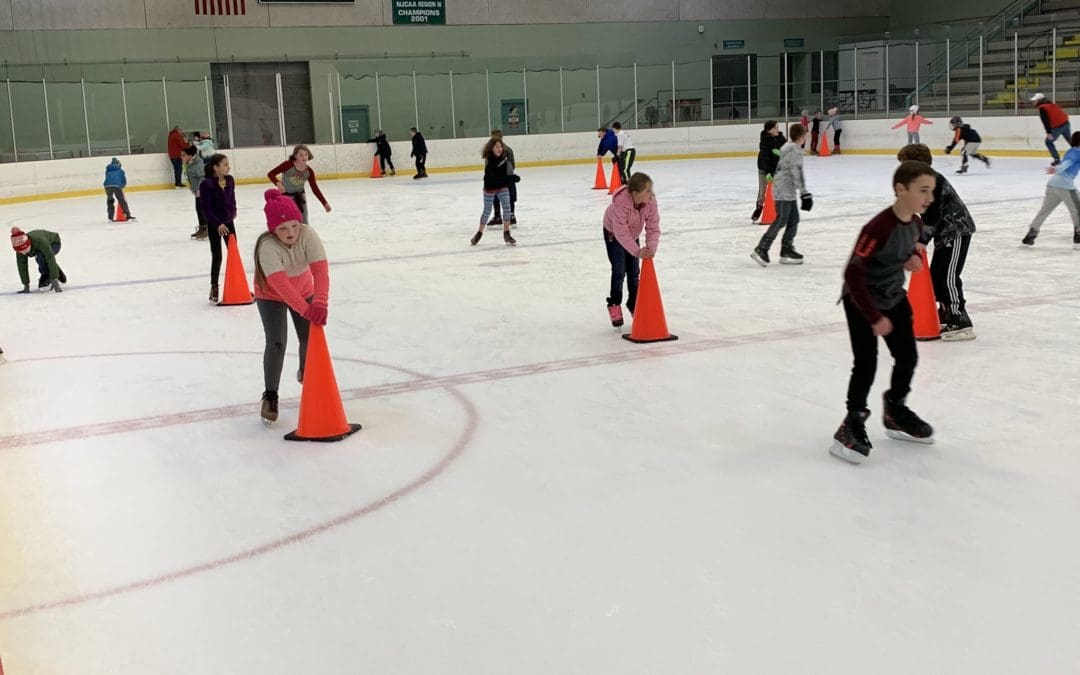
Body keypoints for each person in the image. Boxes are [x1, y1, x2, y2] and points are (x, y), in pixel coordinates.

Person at [830, 160, 937, 464]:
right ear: (900, 189)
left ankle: (896, 411)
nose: (928, 197)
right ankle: (851, 422)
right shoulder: (877, 227)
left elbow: (904, 250)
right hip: (862, 300)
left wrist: (911, 259)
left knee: (908, 357)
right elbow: (852, 274)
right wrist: (874, 316)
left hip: (893, 297)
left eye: (931, 191)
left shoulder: (915, 223)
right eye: (922, 190)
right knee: (866, 363)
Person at [253, 189, 330, 425]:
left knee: (309, 337)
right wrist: (306, 310)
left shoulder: (308, 235)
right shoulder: (267, 247)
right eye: (283, 229)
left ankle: (307, 376)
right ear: (273, 229)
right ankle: (271, 395)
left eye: (295, 226)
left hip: (305, 290)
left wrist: (320, 301)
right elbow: (281, 286)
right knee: (277, 342)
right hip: (271, 295)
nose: (291, 233)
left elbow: (320, 271)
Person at [897, 144, 977, 341]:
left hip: (957, 231)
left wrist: (921, 240)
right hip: (944, 235)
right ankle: (945, 313)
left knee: (948, 276)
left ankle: (960, 319)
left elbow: (933, 216)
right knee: (937, 275)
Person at [602, 172, 660, 327]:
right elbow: (620, 233)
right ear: (635, 194)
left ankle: (633, 303)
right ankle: (614, 304)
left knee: (634, 272)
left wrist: (650, 248)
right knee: (619, 270)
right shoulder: (620, 205)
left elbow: (653, 227)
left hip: (632, 232)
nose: (651, 194)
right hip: (613, 233)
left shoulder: (651, 203)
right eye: (647, 191)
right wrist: (637, 251)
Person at [752, 124, 811, 266]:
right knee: (781, 219)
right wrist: (804, 194)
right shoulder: (794, 150)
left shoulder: (787, 147)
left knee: (794, 219)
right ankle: (762, 248)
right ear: (802, 137)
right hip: (784, 189)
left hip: (785, 188)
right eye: (806, 135)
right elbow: (797, 172)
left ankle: (786, 249)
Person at [1021, 130, 1080, 249]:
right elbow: (1068, 163)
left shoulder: (1071, 150)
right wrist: (1058, 168)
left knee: (1044, 211)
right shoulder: (1078, 152)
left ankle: (1031, 235)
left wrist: (1057, 169)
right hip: (1065, 185)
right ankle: (1078, 238)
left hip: (1052, 185)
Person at [199, 153, 237, 304]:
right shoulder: (206, 184)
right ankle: (214, 287)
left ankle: (236, 284)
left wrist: (232, 214)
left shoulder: (230, 180)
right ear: (216, 167)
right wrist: (218, 224)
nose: (228, 167)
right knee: (217, 256)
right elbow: (206, 209)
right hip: (215, 224)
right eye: (225, 165)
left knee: (234, 254)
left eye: (228, 164)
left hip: (229, 222)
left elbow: (232, 199)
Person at [469, 137, 518, 247]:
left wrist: (511, 177)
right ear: (491, 148)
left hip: (502, 187)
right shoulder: (489, 161)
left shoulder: (505, 158)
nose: (499, 149)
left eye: (501, 146)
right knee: (487, 211)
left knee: (507, 208)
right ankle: (479, 232)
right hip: (490, 187)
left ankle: (506, 233)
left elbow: (506, 174)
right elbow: (493, 180)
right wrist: (509, 179)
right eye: (496, 146)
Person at [267, 144, 331, 225]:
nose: (304, 157)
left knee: (304, 220)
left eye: (306, 154)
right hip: (286, 196)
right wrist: (278, 183)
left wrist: (324, 203)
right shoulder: (288, 165)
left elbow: (315, 188)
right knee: (288, 218)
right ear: (295, 156)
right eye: (301, 155)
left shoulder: (309, 171)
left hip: (300, 196)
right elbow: (271, 174)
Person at [11, 227, 65, 293]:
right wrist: (26, 285)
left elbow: (50, 257)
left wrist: (54, 280)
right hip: (41, 248)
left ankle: (46, 276)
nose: (23, 253)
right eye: (20, 251)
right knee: (40, 256)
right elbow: (21, 266)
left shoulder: (40, 240)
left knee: (40, 256)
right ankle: (55, 271)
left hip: (54, 243)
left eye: (25, 249)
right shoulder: (20, 248)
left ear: (28, 244)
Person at [752, 120, 786, 223]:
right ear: (768, 130)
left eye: (777, 127)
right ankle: (759, 208)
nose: (777, 129)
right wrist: (767, 173)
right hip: (764, 168)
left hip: (777, 168)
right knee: (762, 190)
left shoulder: (781, 138)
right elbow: (765, 158)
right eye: (775, 128)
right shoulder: (764, 141)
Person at [1030, 93, 1071, 165]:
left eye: (1035, 100)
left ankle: (1057, 160)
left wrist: (1048, 133)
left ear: (1039, 100)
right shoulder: (1051, 104)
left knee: (1048, 142)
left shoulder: (1042, 108)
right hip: (1066, 123)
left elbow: (1045, 121)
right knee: (1071, 141)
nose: (1033, 102)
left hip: (1058, 127)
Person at [488, 129, 517, 226]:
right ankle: (511, 216)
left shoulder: (491, 152)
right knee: (510, 196)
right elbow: (513, 164)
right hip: (508, 177)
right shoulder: (509, 150)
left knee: (496, 196)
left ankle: (497, 216)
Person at [182, 145, 208, 240]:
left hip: (202, 191)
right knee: (199, 209)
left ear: (190, 155)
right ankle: (202, 227)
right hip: (197, 191)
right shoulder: (188, 163)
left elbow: (202, 177)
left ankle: (205, 229)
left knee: (201, 210)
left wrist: (199, 190)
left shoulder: (197, 163)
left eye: (184, 155)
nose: (182, 157)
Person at [103, 157, 135, 222]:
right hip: (116, 186)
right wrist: (122, 186)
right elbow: (123, 181)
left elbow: (108, 178)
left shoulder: (107, 170)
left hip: (107, 186)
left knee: (110, 200)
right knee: (121, 200)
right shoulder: (120, 171)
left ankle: (110, 217)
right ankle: (127, 215)